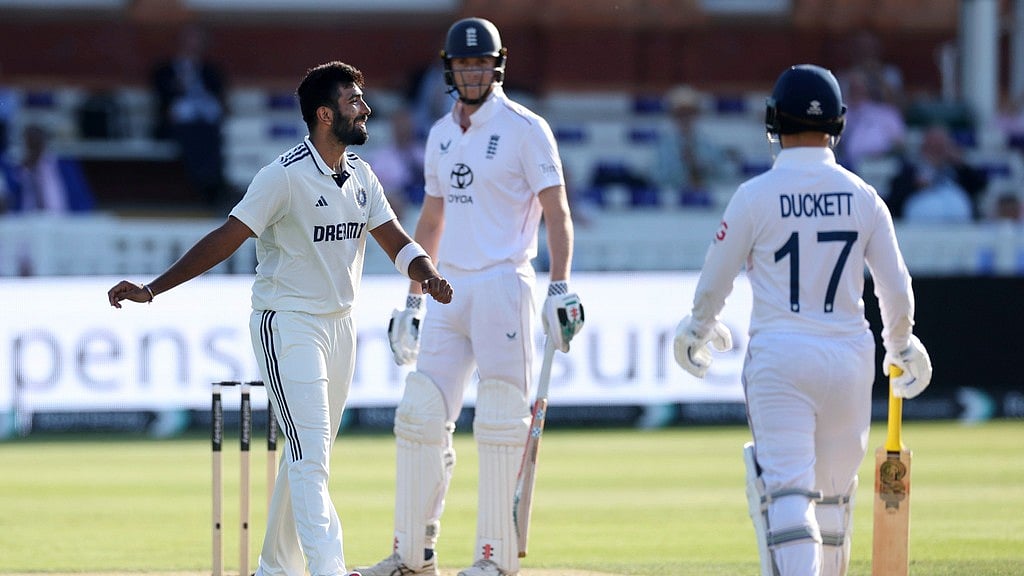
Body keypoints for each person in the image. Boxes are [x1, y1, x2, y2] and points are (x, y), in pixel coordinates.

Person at [107, 61, 454, 576]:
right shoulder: (283, 176)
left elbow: (394, 238)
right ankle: (329, 568)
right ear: (323, 113)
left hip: (340, 326)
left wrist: (427, 272)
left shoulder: (360, 173)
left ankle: (275, 567)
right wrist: (154, 288)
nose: (365, 108)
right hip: (287, 322)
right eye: (354, 101)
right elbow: (227, 236)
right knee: (310, 452)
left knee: (306, 455)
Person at [672, 64, 932, 576]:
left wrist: (698, 327)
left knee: (788, 488)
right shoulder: (864, 197)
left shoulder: (755, 196)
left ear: (774, 122)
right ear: (837, 123)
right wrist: (901, 344)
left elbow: (715, 278)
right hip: (850, 356)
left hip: (781, 357)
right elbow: (895, 288)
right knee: (835, 497)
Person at [359, 17, 584, 576]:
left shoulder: (526, 129)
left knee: (504, 421)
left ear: (497, 65)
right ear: (450, 69)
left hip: (504, 283)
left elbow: (557, 211)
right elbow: (431, 220)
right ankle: (412, 555)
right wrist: (412, 298)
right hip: (446, 288)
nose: (474, 73)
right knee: (418, 416)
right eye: (464, 64)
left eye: (482, 63)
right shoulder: (439, 133)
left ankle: (494, 559)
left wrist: (560, 286)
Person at [151, 23, 229, 208]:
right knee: (192, 131)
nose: (192, 45)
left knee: (206, 133)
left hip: (205, 124)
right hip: (176, 125)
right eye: (189, 40)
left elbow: (220, 100)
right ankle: (204, 185)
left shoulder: (211, 71)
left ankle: (207, 184)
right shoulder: (164, 70)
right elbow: (162, 102)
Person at [654, 84, 737, 206]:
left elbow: (725, 174)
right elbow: (656, 178)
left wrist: (702, 166)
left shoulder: (709, 144)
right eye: (680, 114)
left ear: (696, 115)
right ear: (673, 116)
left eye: (689, 113)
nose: (685, 118)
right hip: (673, 206)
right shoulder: (662, 147)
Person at [886, 123, 987, 222]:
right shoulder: (910, 170)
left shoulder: (959, 170)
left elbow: (981, 186)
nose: (936, 151)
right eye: (932, 146)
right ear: (924, 147)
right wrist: (915, 186)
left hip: (961, 226)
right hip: (921, 227)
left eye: (940, 146)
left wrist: (960, 164)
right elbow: (894, 199)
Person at [7, 123, 95, 214]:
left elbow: (82, 197)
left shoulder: (64, 166)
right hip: (25, 221)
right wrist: (22, 171)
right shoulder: (16, 169)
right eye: (30, 143)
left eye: (37, 142)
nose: (34, 147)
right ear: (24, 144)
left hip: (62, 219)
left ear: (44, 142)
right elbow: (9, 199)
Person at [835, 68, 906, 173]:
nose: (857, 92)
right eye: (853, 88)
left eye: (860, 88)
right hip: (851, 166)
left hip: (885, 165)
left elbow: (900, 143)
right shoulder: (840, 114)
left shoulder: (887, 113)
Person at [365, 106, 425, 221]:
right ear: (393, 128)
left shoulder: (422, 153)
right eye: (400, 125)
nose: (403, 129)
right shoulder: (381, 158)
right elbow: (374, 190)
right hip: (398, 209)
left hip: (423, 206)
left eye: (406, 125)